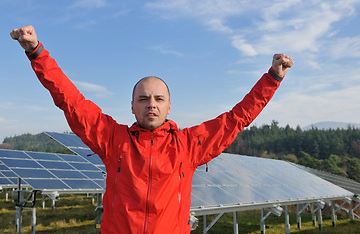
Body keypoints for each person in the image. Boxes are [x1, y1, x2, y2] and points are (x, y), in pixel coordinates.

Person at [10, 25, 293, 234]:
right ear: (132, 106)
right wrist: (36, 52)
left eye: (158, 99)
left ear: (169, 106)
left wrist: (272, 78)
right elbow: (69, 99)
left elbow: (236, 118)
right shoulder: (112, 139)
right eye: (143, 99)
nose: (151, 105)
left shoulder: (189, 145)